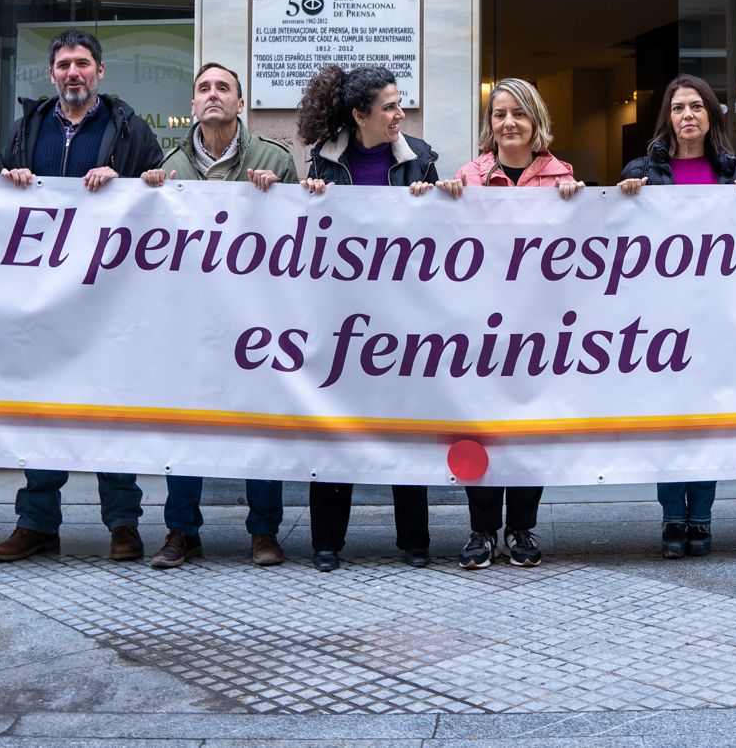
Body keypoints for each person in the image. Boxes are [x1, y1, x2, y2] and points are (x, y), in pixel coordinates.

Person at [0, 28, 164, 562]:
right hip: (42, 298)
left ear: (100, 72)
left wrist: (128, 181)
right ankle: (37, 522)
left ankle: (123, 524)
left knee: (110, 407)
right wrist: (11, 177)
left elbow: (159, 193)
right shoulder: (27, 128)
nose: (73, 73)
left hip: (110, 297)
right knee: (42, 408)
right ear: (51, 74)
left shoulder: (131, 129)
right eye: (64, 64)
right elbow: (1, 199)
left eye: (82, 63)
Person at [141, 61, 298, 569]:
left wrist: (280, 194)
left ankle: (264, 531)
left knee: (260, 421)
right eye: (204, 88)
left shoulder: (274, 158)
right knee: (187, 422)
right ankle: (181, 531)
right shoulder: (168, 165)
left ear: (239, 102)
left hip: (257, 316)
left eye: (223, 88)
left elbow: (300, 238)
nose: (213, 95)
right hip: (191, 321)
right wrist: (146, 194)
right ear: (192, 105)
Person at [617, 74, 736, 558]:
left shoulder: (730, 173)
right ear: (668, 116)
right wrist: (625, 196)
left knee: (706, 419)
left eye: (697, 107)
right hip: (661, 319)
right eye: (679, 107)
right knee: (668, 420)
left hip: (712, 316)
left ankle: (700, 517)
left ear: (711, 116)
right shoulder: (642, 170)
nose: (688, 116)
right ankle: (670, 516)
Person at [436, 78, 583, 570]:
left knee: (528, 427)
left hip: (537, 328)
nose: (508, 123)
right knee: (480, 426)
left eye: (518, 113)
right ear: (489, 123)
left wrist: (577, 203)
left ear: (535, 119)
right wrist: (447, 199)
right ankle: (481, 530)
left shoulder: (562, 177)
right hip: (480, 324)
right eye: (499, 114)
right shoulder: (468, 176)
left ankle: (520, 528)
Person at [297, 64, 439, 572]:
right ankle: (327, 542)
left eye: (400, 104)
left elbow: (443, 235)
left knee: (404, 422)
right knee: (337, 425)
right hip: (343, 315)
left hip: (404, 314)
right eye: (390, 107)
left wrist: (432, 203)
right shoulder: (326, 160)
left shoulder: (420, 160)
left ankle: (414, 540)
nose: (400, 114)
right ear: (361, 115)